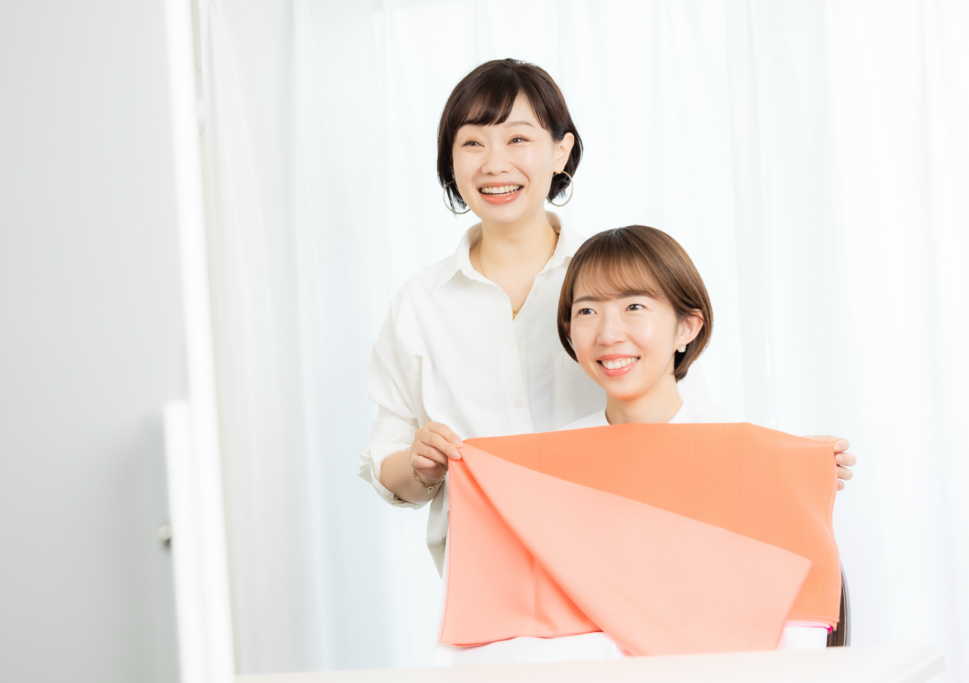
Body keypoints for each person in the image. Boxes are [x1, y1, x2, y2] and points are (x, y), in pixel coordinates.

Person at [358, 59, 855, 574]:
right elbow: (387, 461)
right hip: (487, 580)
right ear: (450, 158)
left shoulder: (617, 278)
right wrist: (422, 466)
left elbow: (689, 427)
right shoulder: (418, 304)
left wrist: (785, 464)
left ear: (561, 151)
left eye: (518, 139)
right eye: (472, 143)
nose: (494, 163)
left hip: (620, 573)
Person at [436, 225, 829, 665]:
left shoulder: (750, 462)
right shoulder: (538, 474)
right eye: (587, 311)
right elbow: (494, 635)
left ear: (686, 327)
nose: (608, 334)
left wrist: (799, 470)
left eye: (634, 306)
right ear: (569, 331)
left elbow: (791, 638)